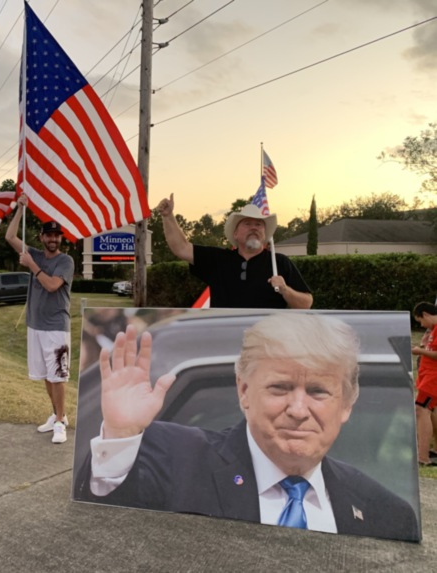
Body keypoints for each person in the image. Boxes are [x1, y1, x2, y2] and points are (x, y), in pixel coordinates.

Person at [77, 313, 419, 541]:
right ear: (244, 390)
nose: (298, 410)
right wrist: (121, 436)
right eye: (280, 388)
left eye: (318, 391)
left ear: (346, 404)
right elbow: (97, 531)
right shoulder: (171, 455)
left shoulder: (389, 514)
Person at [157, 194, 312, 309]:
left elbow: (306, 303)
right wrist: (168, 216)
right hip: (224, 340)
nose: (253, 227)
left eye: (259, 224)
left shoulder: (280, 263)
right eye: (247, 223)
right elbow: (181, 248)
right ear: (235, 234)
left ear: (265, 234)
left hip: (265, 343)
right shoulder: (218, 259)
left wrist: (285, 290)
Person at [5, 194, 75, 444]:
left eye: (57, 235)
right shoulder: (35, 253)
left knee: (58, 375)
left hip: (56, 327)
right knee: (46, 375)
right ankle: (59, 415)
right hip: (35, 325)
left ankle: (60, 424)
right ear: (42, 238)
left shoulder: (65, 261)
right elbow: (10, 237)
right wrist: (20, 208)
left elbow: (53, 285)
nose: (53, 239)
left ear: (60, 238)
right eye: (49, 235)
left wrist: (32, 266)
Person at [412, 302, 437, 467]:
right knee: (432, 411)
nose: (421, 325)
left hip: (433, 378)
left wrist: (420, 351)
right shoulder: (433, 330)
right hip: (428, 376)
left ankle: (423, 456)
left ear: (426, 314)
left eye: (420, 321)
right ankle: (433, 450)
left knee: (421, 409)